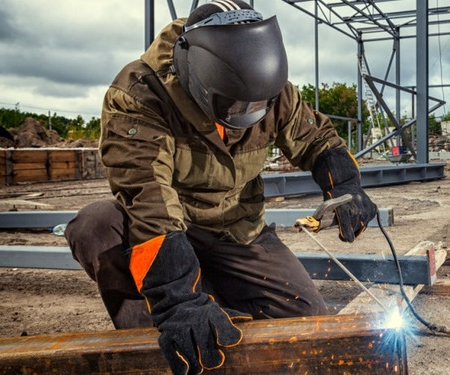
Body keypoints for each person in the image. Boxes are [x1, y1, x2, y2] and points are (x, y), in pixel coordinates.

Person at [65, 0, 377, 373]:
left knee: (307, 325)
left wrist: (344, 184)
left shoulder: (270, 89)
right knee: (97, 225)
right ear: (198, 77)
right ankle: (153, 342)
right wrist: (178, 301)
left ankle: (210, 286)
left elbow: (317, 140)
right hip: (169, 225)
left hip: (238, 231)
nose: (242, 120)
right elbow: (148, 201)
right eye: (233, 107)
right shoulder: (140, 95)